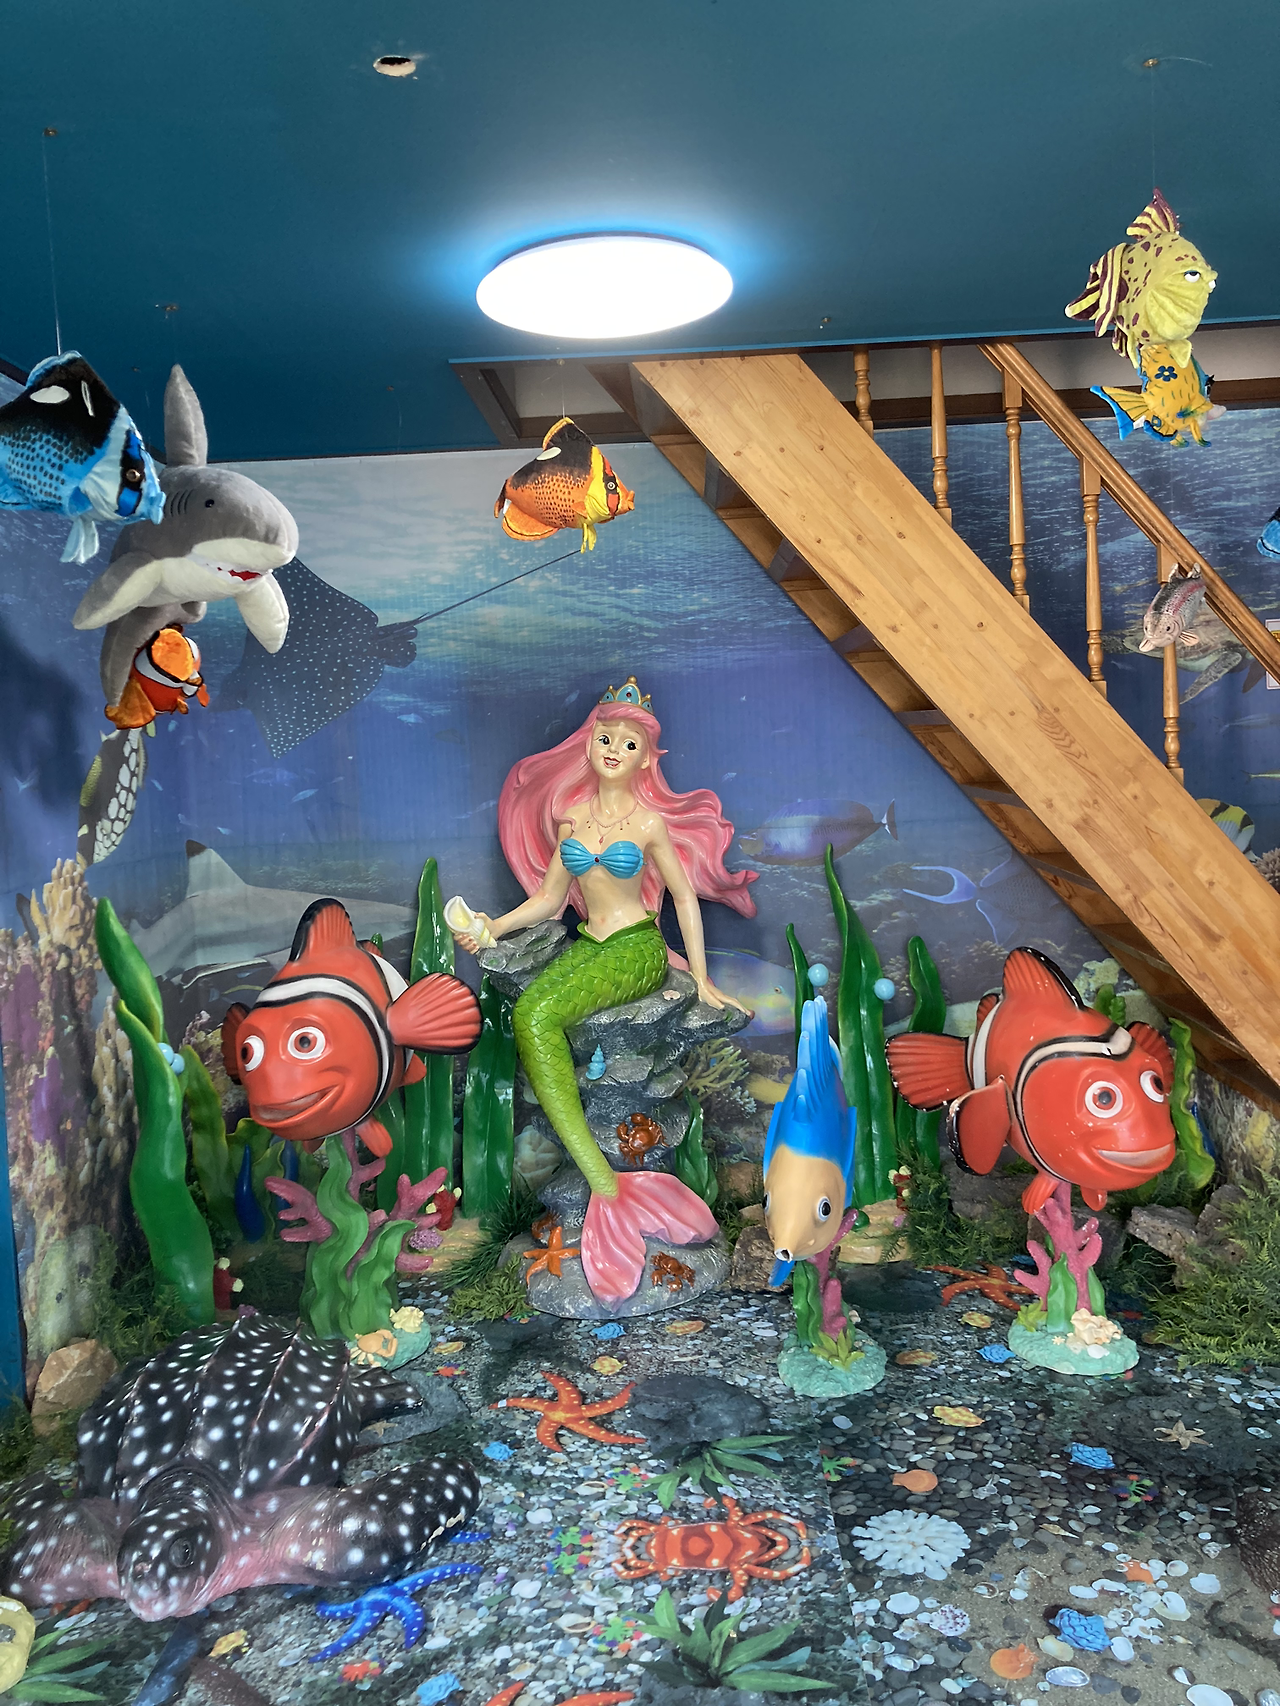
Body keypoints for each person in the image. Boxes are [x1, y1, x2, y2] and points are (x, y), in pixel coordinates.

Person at [453, 676, 756, 1302]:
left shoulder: (648, 823)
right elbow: (548, 900)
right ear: (589, 744)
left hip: (637, 950)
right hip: (589, 945)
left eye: (629, 743)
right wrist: (491, 928)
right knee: (531, 1013)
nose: (615, 749)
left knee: (537, 1015)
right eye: (606, 737)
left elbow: (683, 899)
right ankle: (603, 1181)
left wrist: (700, 979)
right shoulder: (571, 818)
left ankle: (603, 1179)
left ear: (647, 759)